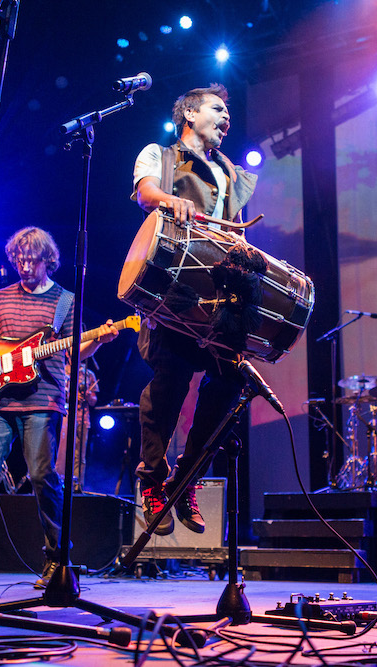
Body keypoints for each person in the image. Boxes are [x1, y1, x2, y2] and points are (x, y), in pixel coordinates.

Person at [0, 227, 117, 591]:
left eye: (32, 259)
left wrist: (98, 342)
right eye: (19, 259)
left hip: (43, 399)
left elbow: (75, 352)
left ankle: (58, 560)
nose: (24, 266)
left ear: (48, 260)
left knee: (43, 477)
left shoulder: (65, 302)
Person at [131, 83, 258, 535]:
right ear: (189, 112)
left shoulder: (228, 172)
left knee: (230, 382)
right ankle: (152, 480)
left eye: (228, 112)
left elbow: (231, 231)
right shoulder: (159, 156)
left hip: (218, 297)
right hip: (173, 289)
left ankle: (187, 479)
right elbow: (147, 194)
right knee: (171, 381)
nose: (227, 118)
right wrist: (172, 200)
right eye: (218, 109)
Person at [55, 361, 98, 492]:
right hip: (65, 417)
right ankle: (59, 483)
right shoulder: (63, 370)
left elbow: (94, 401)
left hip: (83, 418)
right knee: (62, 452)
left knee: (80, 455)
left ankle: (78, 485)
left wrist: (88, 395)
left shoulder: (88, 374)